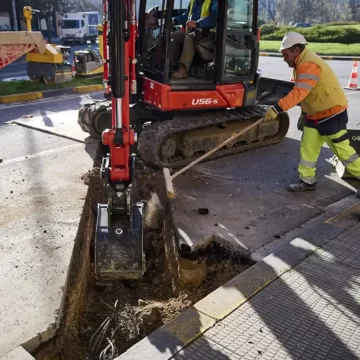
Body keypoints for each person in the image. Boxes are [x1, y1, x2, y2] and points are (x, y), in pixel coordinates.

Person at [264, 32, 360, 197]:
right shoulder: (301, 61)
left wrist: (277, 108)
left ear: (296, 50)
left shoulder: (308, 63)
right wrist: (304, 113)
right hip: (315, 114)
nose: (284, 58)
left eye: (286, 54)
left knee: (343, 151)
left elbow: (300, 92)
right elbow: (308, 93)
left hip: (331, 113)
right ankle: (307, 181)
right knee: (308, 148)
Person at [170, 0, 217, 79]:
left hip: (208, 35)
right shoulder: (193, 1)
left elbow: (215, 18)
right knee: (172, 36)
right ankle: (172, 66)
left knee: (189, 38)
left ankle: (183, 70)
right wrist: (175, 21)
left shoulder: (214, 1)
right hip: (193, 32)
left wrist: (197, 23)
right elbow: (186, 15)